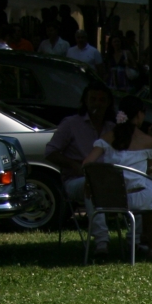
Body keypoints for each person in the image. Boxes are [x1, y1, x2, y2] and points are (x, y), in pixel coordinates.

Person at [83, 95, 152, 259]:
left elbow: (87, 163)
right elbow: (149, 170)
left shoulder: (106, 138)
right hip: (139, 199)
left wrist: (91, 183)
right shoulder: (149, 142)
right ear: (139, 114)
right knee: (151, 188)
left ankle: (103, 242)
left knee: (91, 193)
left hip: (109, 199)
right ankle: (143, 244)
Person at [48, 83, 116, 248]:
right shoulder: (71, 124)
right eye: (92, 99)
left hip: (107, 179)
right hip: (76, 180)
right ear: (85, 101)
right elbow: (50, 152)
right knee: (91, 185)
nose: (97, 104)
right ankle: (102, 241)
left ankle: (138, 241)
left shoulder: (112, 128)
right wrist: (75, 165)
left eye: (102, 100)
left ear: (108, 104)